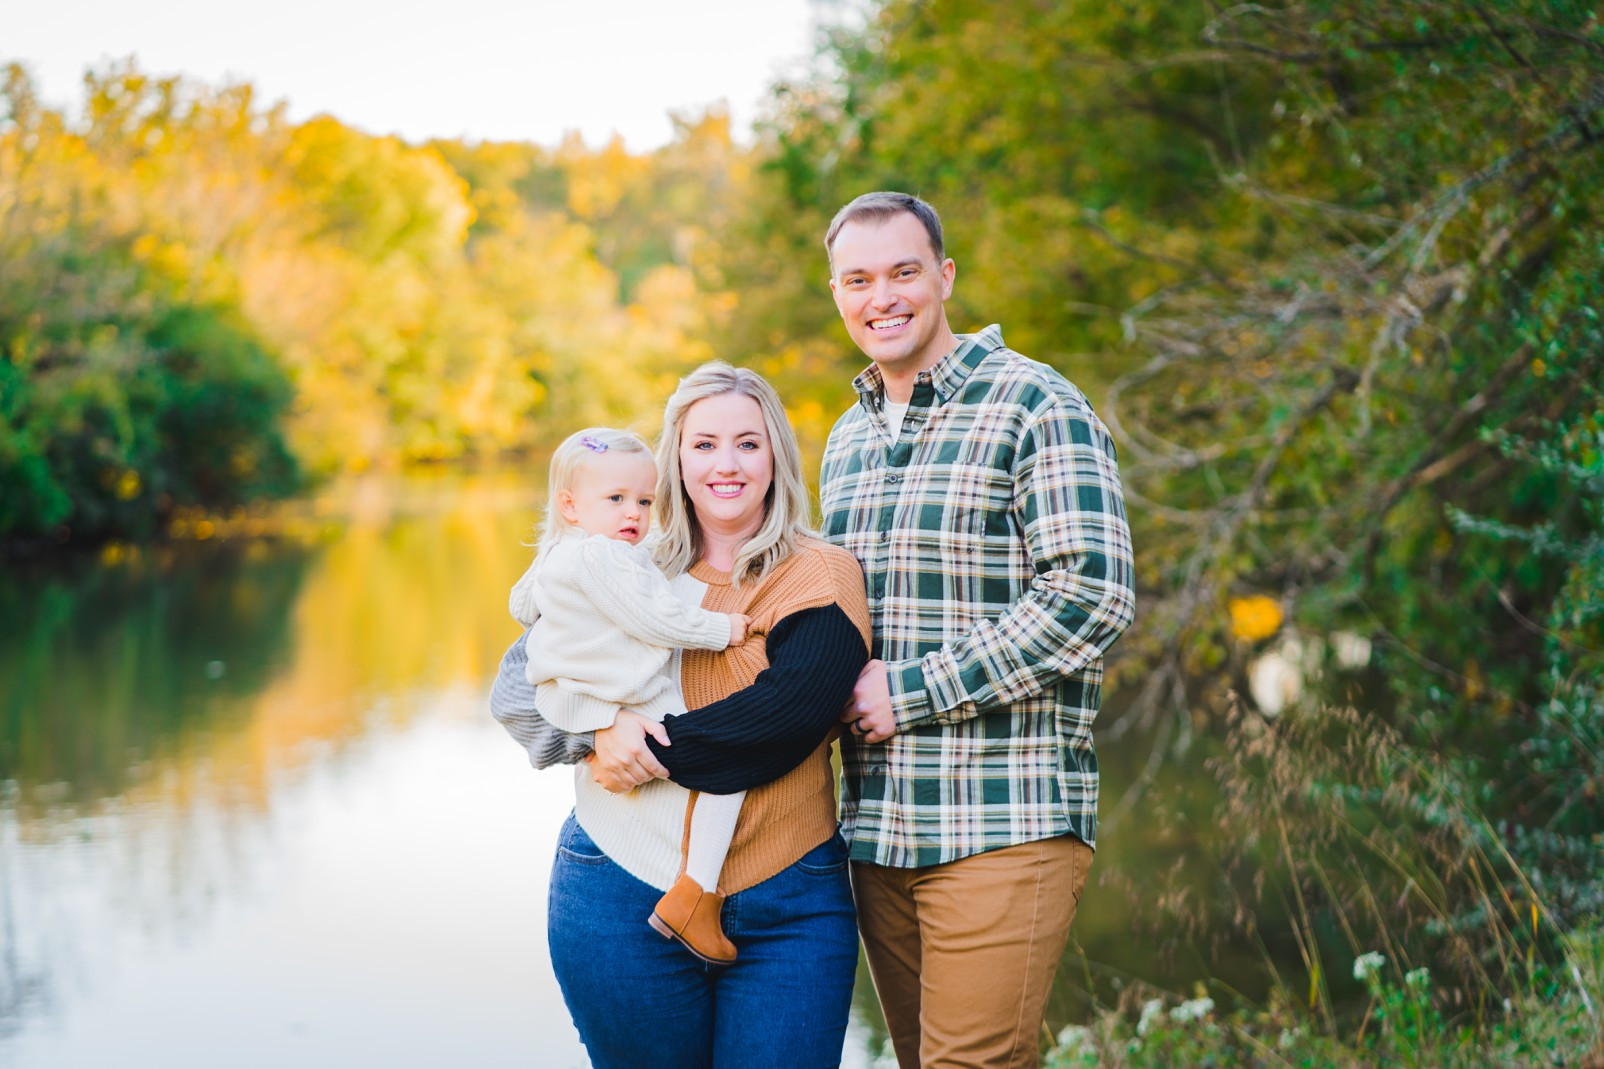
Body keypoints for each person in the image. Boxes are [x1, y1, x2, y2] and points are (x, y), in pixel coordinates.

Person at [819, 191, 1137, 1069]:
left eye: (903, 272)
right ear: (838, 293)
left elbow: (1093, 594)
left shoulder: (1036, 403)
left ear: (944, 276)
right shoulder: (846, 439)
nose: (881, 296)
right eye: (858, 279)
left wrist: (912, 691)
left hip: (1004, 815)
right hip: (878, 826)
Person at [490, 362, 872, 1069]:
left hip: (788, 903)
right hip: (619, 887)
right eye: (703, 445)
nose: (725, 464)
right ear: (675, 458)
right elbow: (516, 689)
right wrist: (598, 732)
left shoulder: (818, 574)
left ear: (777, 456)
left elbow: (786, 718)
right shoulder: (624, 562)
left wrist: (652, 750)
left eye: (748, 444)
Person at [505, 425, 753, 964]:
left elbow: (522, 606)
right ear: (571, 505)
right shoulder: (604, 557)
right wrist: (722, 630)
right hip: (624, 697)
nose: (633, 515)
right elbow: (654, 615)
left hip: (569, 696)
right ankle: (697, 891)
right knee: (730, 764)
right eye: (615, 500)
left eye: (644, 500)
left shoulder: (559, 553)